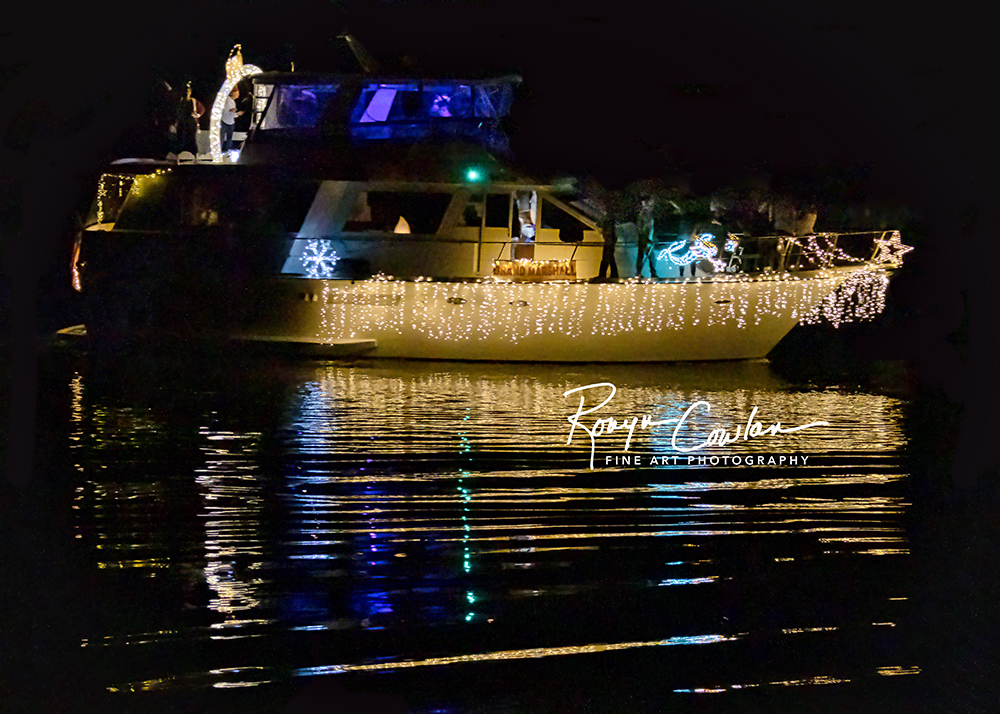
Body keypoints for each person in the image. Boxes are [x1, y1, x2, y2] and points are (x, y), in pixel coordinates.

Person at [175, 82, 203, 156]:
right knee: (181, 138)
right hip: (182, 122)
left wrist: (197, 115)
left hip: (191, 122)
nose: (187, 93)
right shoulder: (181, 101)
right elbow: (177, 111)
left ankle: (193, 154)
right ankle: (180, 154)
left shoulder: (193, 101)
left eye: (188, 91)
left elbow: (201, 109)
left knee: (191, 138)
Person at [635, 195, 658, 278]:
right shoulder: (643, 215)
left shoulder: (647, 215)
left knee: (650, 257)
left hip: (647, 239)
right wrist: (647, 239)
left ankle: (650, 273)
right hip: (645, 240)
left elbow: (650, 228)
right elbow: (641, 229)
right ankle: (639, 273)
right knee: (643, 256)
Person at [221, 85, 243, 154]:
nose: (238, 95)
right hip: (225, 121)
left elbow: (231, 113)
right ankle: (223, 150)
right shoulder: (228, 100)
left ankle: (227, 150)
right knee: (223, 137)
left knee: (228, 138)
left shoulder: (232, 101)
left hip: (230, 121)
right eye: (237, 93)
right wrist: (235, 112)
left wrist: (236, 114)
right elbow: (228, 111)